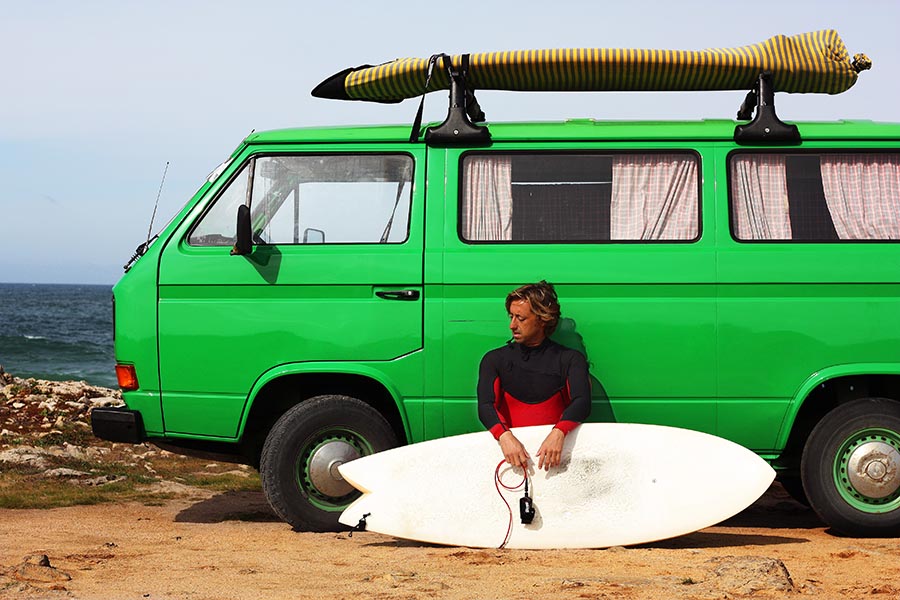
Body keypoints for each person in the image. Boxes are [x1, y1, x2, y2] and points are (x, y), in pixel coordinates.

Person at [477, 281, 591, 471]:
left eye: (520, 318)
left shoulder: (569, 359)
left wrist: (559, 432)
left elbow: (582, 402)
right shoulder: (494, 360)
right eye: (511, 316)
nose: (512, 325)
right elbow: (485, 405)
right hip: (512, 460)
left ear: (542, 319)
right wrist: (504, 437)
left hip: (554, 461)